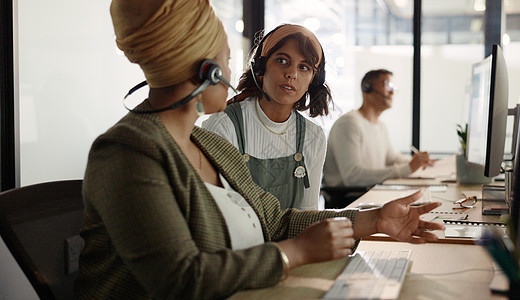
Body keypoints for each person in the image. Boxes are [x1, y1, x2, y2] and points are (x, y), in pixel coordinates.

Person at [74, 1, 444, 299]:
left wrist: (373, 219)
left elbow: (276, 220)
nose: (234, 69)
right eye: (226, 59)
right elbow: (181, 280)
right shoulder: (127, 152)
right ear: (206, 70)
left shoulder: (208, 144)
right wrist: (295, 253)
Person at [202, 24, 329, 210]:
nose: (292, 74)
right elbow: (216, 213)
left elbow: (308, 214)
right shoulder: (224, 126)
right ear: (260, 68)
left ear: (313, 80)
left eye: (304, 67)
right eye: (282, 61)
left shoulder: (313, 136)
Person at [323, 69, 433, 187]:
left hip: (371, 192)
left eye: (393, 88)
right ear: (367, 88)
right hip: (349, 199)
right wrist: (407, 168)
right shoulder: (348, 123)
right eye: (387, 86)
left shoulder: (380, 126)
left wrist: (419, 162)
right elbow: (352, 176)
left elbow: (393, 158)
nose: (392, 92)